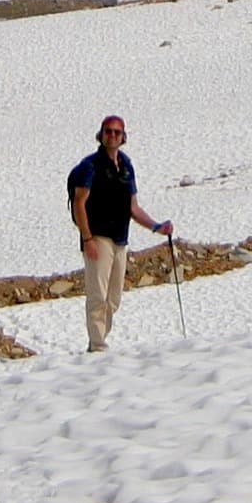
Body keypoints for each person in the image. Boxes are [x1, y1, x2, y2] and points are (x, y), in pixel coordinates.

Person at [67, 113, 171, 353]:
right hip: (98, 237)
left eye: (116, 132)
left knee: (113, 297)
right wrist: (88, 238)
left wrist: (156, 226)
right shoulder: (89, 167)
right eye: (108, 131)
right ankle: (98, 345)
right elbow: (79, 203)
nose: (112, 135)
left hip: (120, 238)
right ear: (101, 135)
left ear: (123, 137)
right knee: (98, 294)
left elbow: (132, 207)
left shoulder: (126, 166)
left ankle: (99, 340)